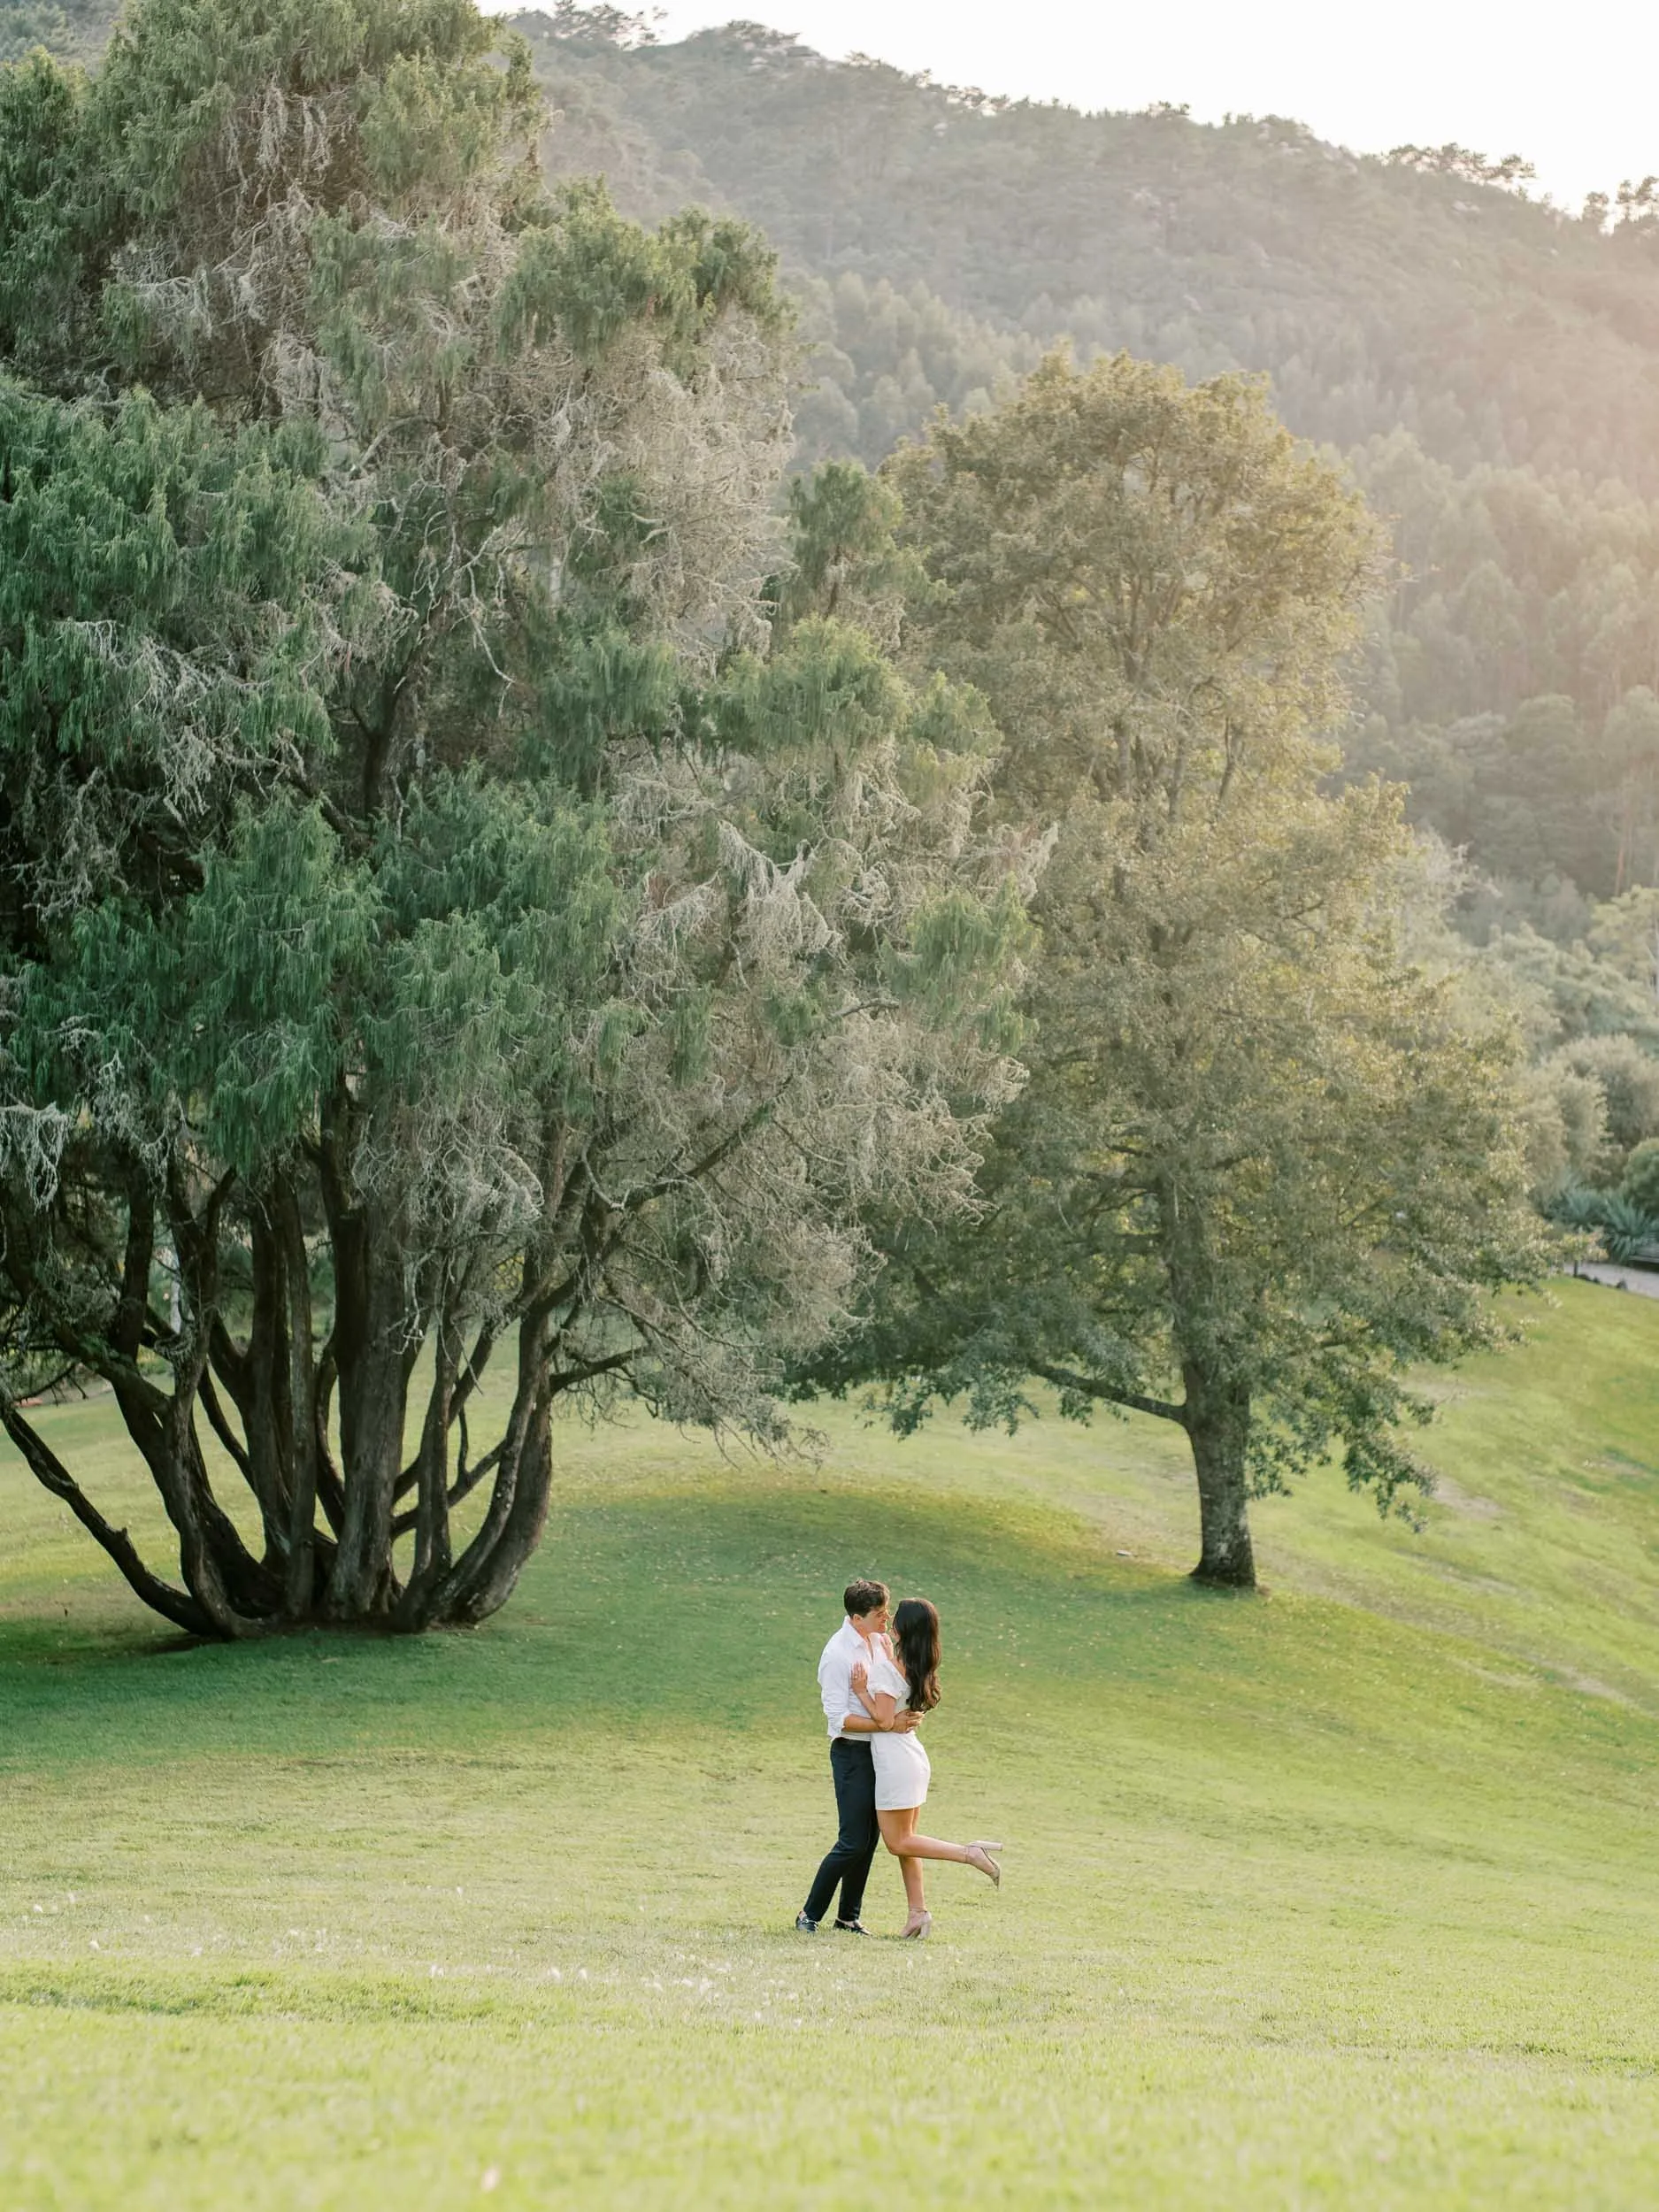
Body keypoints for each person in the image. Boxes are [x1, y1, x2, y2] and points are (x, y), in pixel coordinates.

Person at [849, 1594, 1002, 1939]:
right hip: (912, 1758)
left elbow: (885, 1720)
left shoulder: (889, 1669)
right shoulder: (915, 1665)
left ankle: (970, 1853)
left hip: (896, 1763)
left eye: (895, 1618)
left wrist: (860, 1692)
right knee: (910, 1841)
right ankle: (918, 1913)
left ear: (904, 1629)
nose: (890, 1621)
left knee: (898, 1843)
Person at [796, 1579, 918, 1935]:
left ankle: (848, 1916)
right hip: (851, 1752)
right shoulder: (838, 1655)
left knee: (870, 1839)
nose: (887, 1618)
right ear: (856, 1617)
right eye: (880, 1614)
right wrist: (888, 1726)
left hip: (881, 1752)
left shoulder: (880, 1640)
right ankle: (809, 1914)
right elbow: (838, 1720)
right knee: (852, 1841)